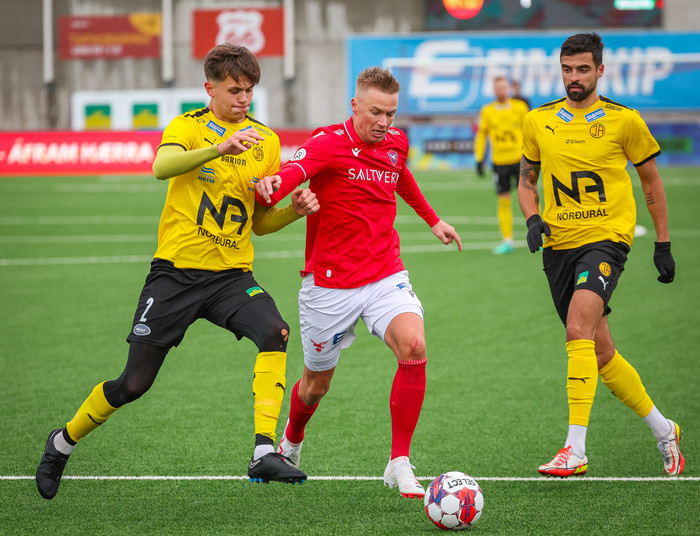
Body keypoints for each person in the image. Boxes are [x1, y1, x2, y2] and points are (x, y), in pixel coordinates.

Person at [35, 43, 318, 500]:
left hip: (230, 277)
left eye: (249, 90)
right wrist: (217, 149)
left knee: (275, 330)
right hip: (175, 275)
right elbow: (161, 167)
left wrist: (293, 212)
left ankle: (263, 451)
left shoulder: (266, 141)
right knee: (133, 384)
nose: (244, 98)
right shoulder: (187, 126)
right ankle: (62, 442)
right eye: (234, 90)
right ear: (210, 88)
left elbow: (260, 222)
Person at [255, 66, 462, 498]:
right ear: (354, 105)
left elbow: (401, 175)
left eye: (391, 113)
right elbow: (296, 169)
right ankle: (291, 440)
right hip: (329, 287)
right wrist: (276, 184)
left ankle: (399, 461)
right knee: (316, 385)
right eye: (375, 112)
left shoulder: (396, 143)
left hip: (385, 274)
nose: (384, 123)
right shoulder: (329, 142)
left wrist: (433, 220)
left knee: (414, 346)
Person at [518, 32, 683, 477]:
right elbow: (527, 181)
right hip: (558, 247)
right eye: (567, 69)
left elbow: (651, 182)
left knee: (577, 329)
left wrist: (663, 244)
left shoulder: (624, 120)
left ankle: (575, 449)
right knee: (601, 352)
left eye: (583, 69)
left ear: (600, 70)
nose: (574, 77)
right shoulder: (538, 121)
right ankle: (664, 428)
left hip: (606, 239)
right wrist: (532, 219)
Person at [474, 76, 529, 255]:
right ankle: (507, 240)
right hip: (499, 162)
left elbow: (530, 131)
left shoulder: (520, 107)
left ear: (509, 89)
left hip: (520, 160)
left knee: (530, 197)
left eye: (503, 88)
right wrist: (479, 158)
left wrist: (534, 155)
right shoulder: (487, 111)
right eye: (497, 88)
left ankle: (542, 237)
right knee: (504, 200)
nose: (501, 91)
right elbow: (482, 135)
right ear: (494, 90)